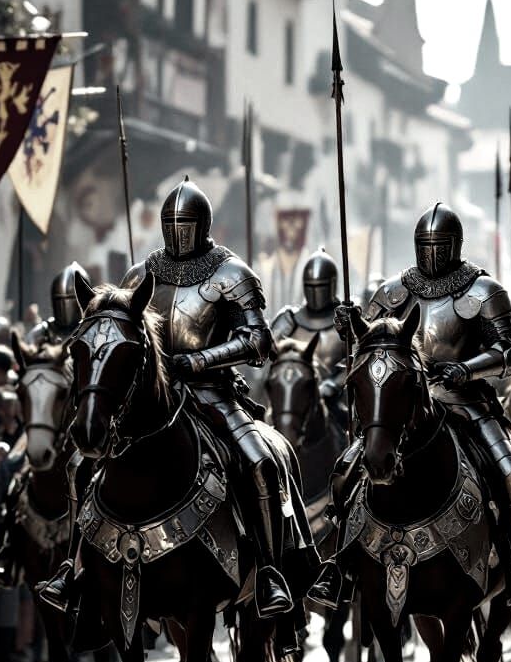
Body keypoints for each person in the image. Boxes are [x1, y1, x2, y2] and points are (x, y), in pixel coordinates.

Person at [39, 176, 311, 625]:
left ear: (203, 224)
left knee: (261, 462)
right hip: (146, 399)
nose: (177, 231)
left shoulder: (230, 273)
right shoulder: (139, 274)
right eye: (171, 223)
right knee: (79, 464)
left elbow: (259, 342)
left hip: (212, 394)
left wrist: (200, 361)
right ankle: (73, 569)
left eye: (185, 223)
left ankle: (269, 573)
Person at [307, 201, 511, 615]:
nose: (432, 254)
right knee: (344, 470)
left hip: (466, 404)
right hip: (402, 405)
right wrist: (350, 329)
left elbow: (510, 353)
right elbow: (368, 350)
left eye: (440, 245)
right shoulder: (393, 292)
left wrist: (465, 370)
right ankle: (339, 565)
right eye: (426, 245)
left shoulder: (483, 291)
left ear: (456, 245)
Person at [271, 246, 346, 425]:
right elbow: (271, 357)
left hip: (338, 401)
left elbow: (357, 362)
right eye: (311, 286)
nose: (315, 292)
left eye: (320, 286)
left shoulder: (345, 321)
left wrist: (333, 385)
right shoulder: (289, 320)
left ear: (332, 284)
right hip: (294, 400)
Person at [25, 263, 86, 348]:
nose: (65, 304)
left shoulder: (93, 331)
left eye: (71, 298)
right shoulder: (40, 333)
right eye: (59, 298)